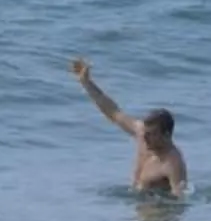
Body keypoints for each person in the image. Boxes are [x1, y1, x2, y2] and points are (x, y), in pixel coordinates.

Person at [69, 58, 187, 195]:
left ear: (166, 135)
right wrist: (86, 83)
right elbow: (113, 112)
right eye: (145, 133)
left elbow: (179, 202)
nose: (145, 137)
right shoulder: (142, 134)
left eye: (152, 134)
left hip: (157, 214)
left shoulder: (173, 163)